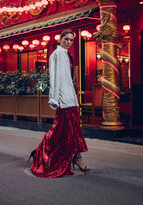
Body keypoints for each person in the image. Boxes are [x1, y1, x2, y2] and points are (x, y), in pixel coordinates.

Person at [29, 29, 89, 178]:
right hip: (63, 99)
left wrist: (74, 97)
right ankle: (41, 152)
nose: (68, 42)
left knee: (71, 130)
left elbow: (68, 79)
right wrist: (54, 98)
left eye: (71, 40)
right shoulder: (56, 54)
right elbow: (54, 79)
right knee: (62, 131)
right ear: (60, 39)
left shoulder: (67, 54)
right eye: (66, 39)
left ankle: (76, 157)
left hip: (70, 98)